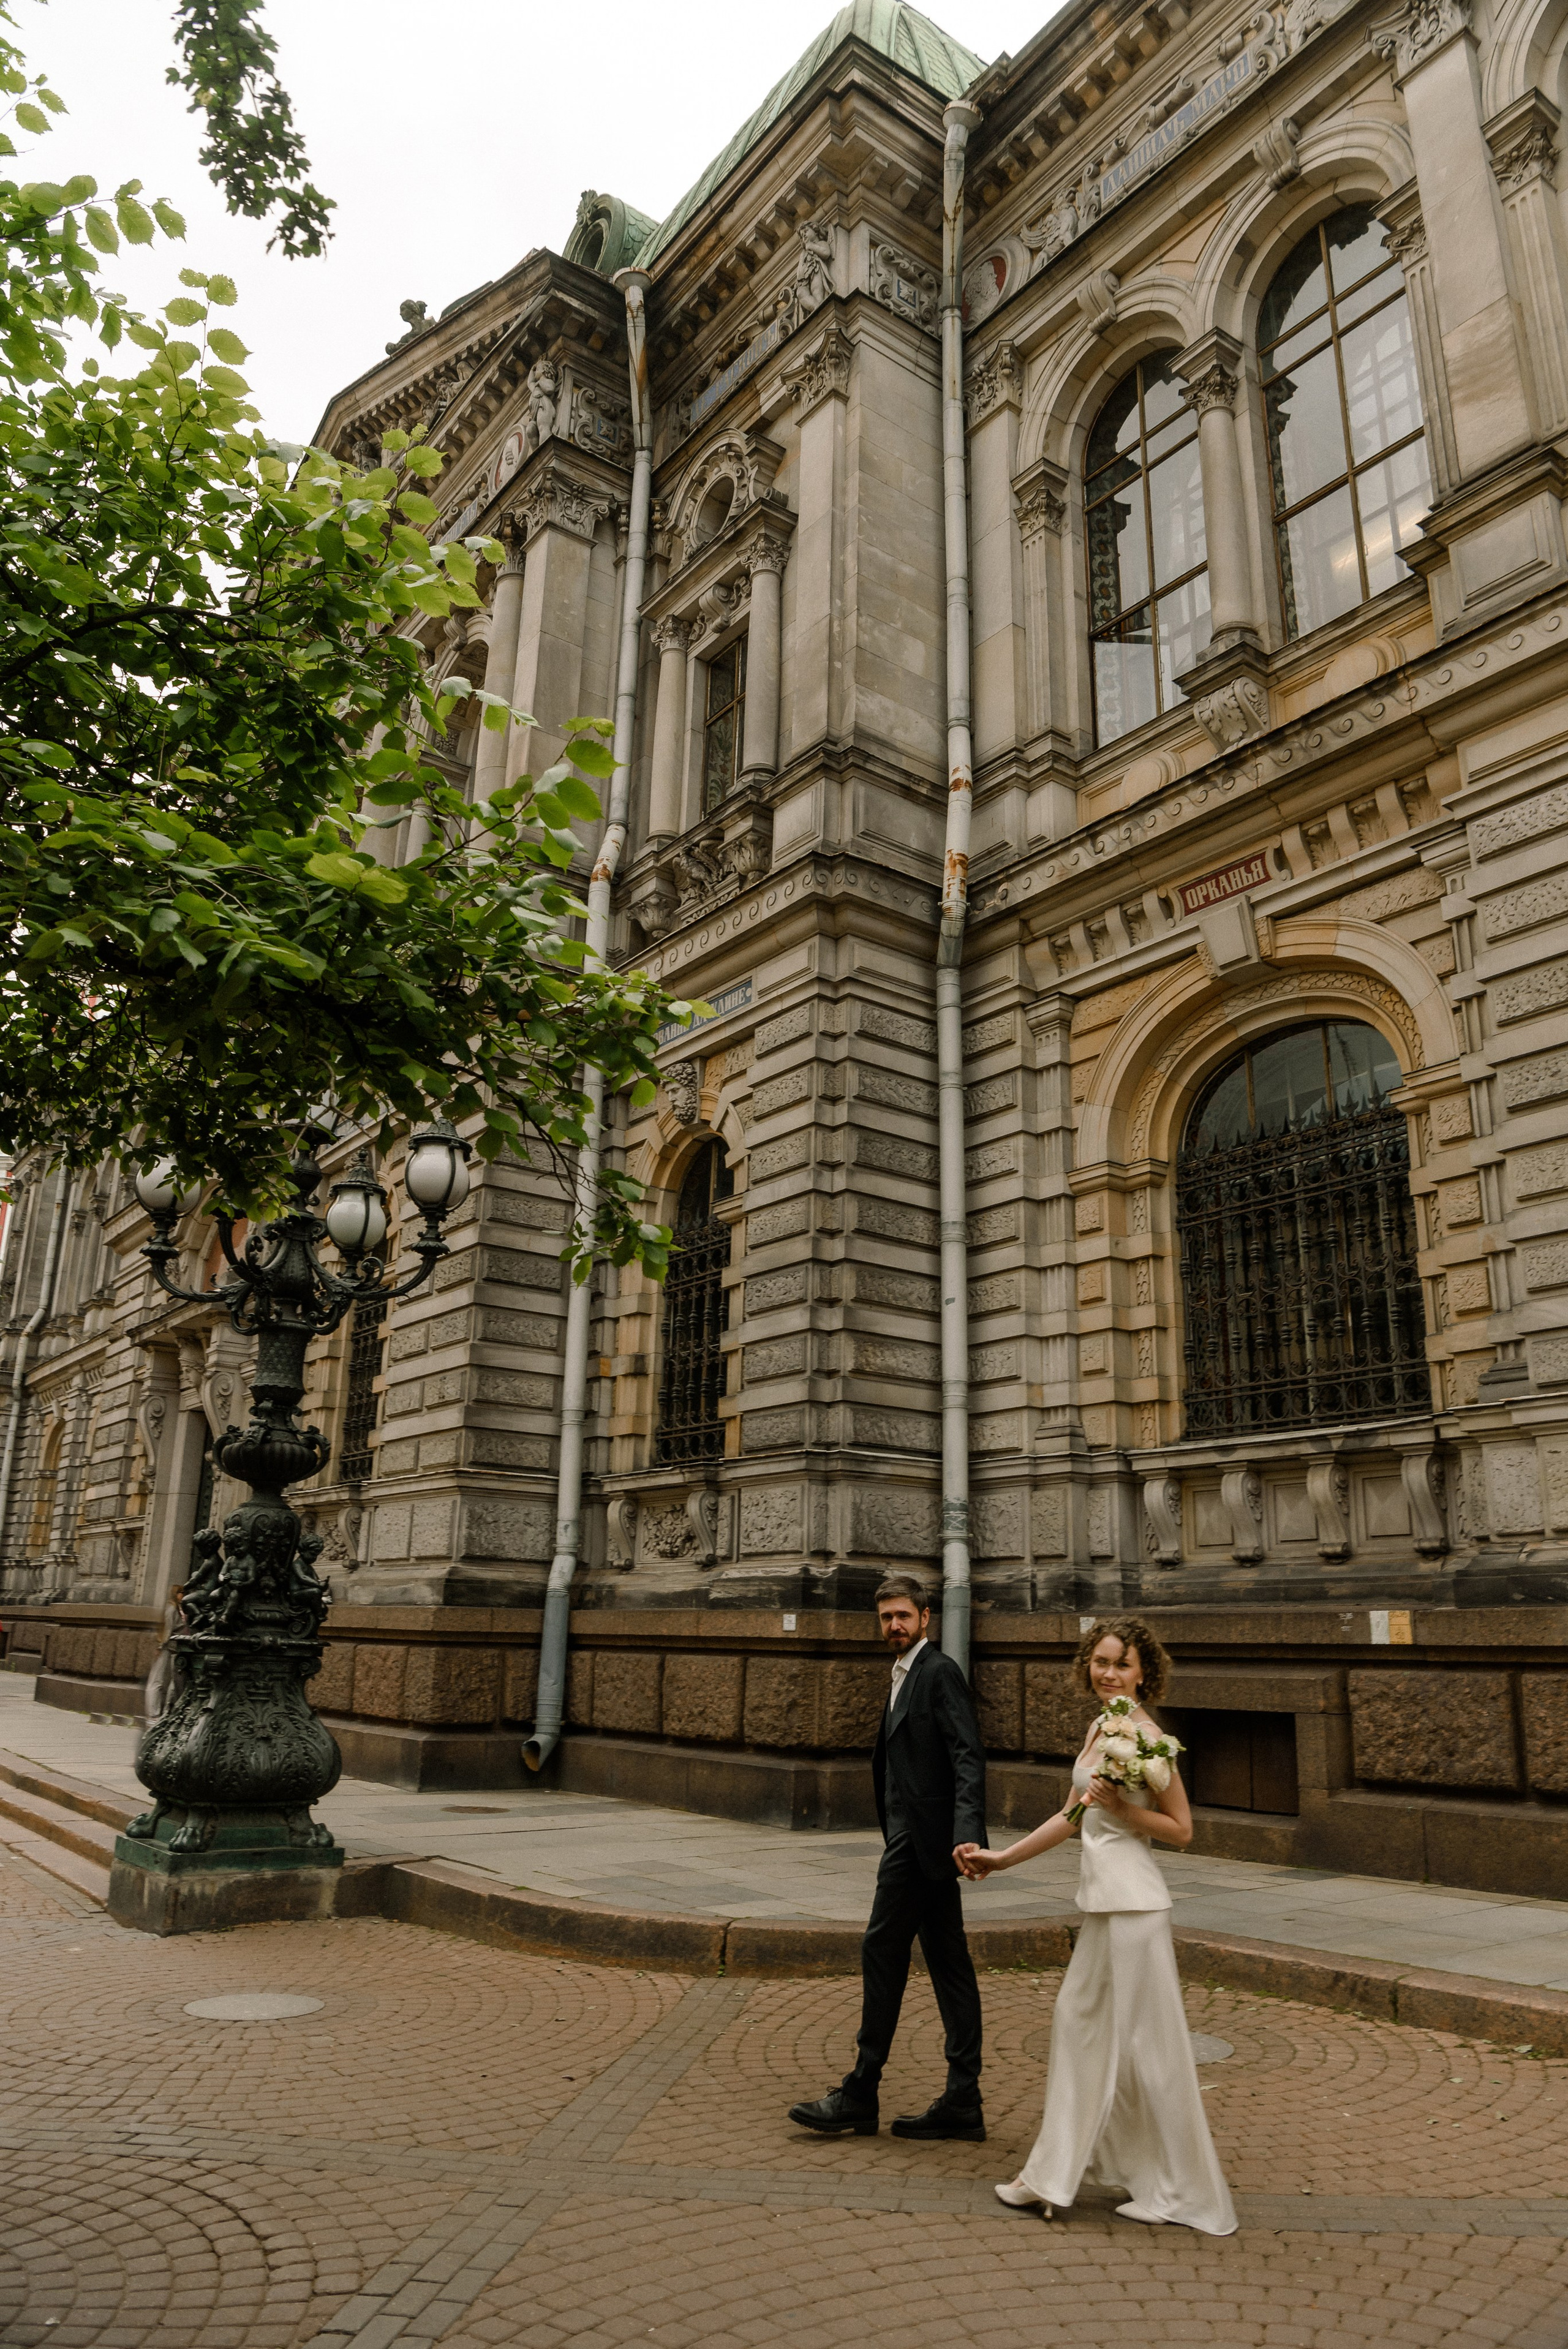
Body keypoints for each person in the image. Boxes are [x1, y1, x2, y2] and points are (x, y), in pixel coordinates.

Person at [957, 1615, 1237, 2234]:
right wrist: (1001, 1858)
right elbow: (1071, 1816)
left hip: (1136, 1907)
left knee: (1147, 2050)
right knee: (1085, 2029)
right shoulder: (1100, 1727)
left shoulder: (1149, 1738)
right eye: (1101, 1660)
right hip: (1104, 1903)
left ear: (1144, 1673)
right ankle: (1077, 2176)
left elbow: (1182, 1829)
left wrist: (1123, 1811)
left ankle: (1168, 2192)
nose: (1108, 1672)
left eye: (1121, 1664)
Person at [788, 1574, 989, 2142]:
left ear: (926, 1617)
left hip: (922, 1841)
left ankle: (860, 2091)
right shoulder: (903, 1671)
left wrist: (967, 1833)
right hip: (915, 1839)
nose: (894, 1625)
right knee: (950, 1965)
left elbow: (967, 1754)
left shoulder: (938, 1671)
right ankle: (963, 2100)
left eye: (903, 1615)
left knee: (881, 1949)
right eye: (886, 1617)